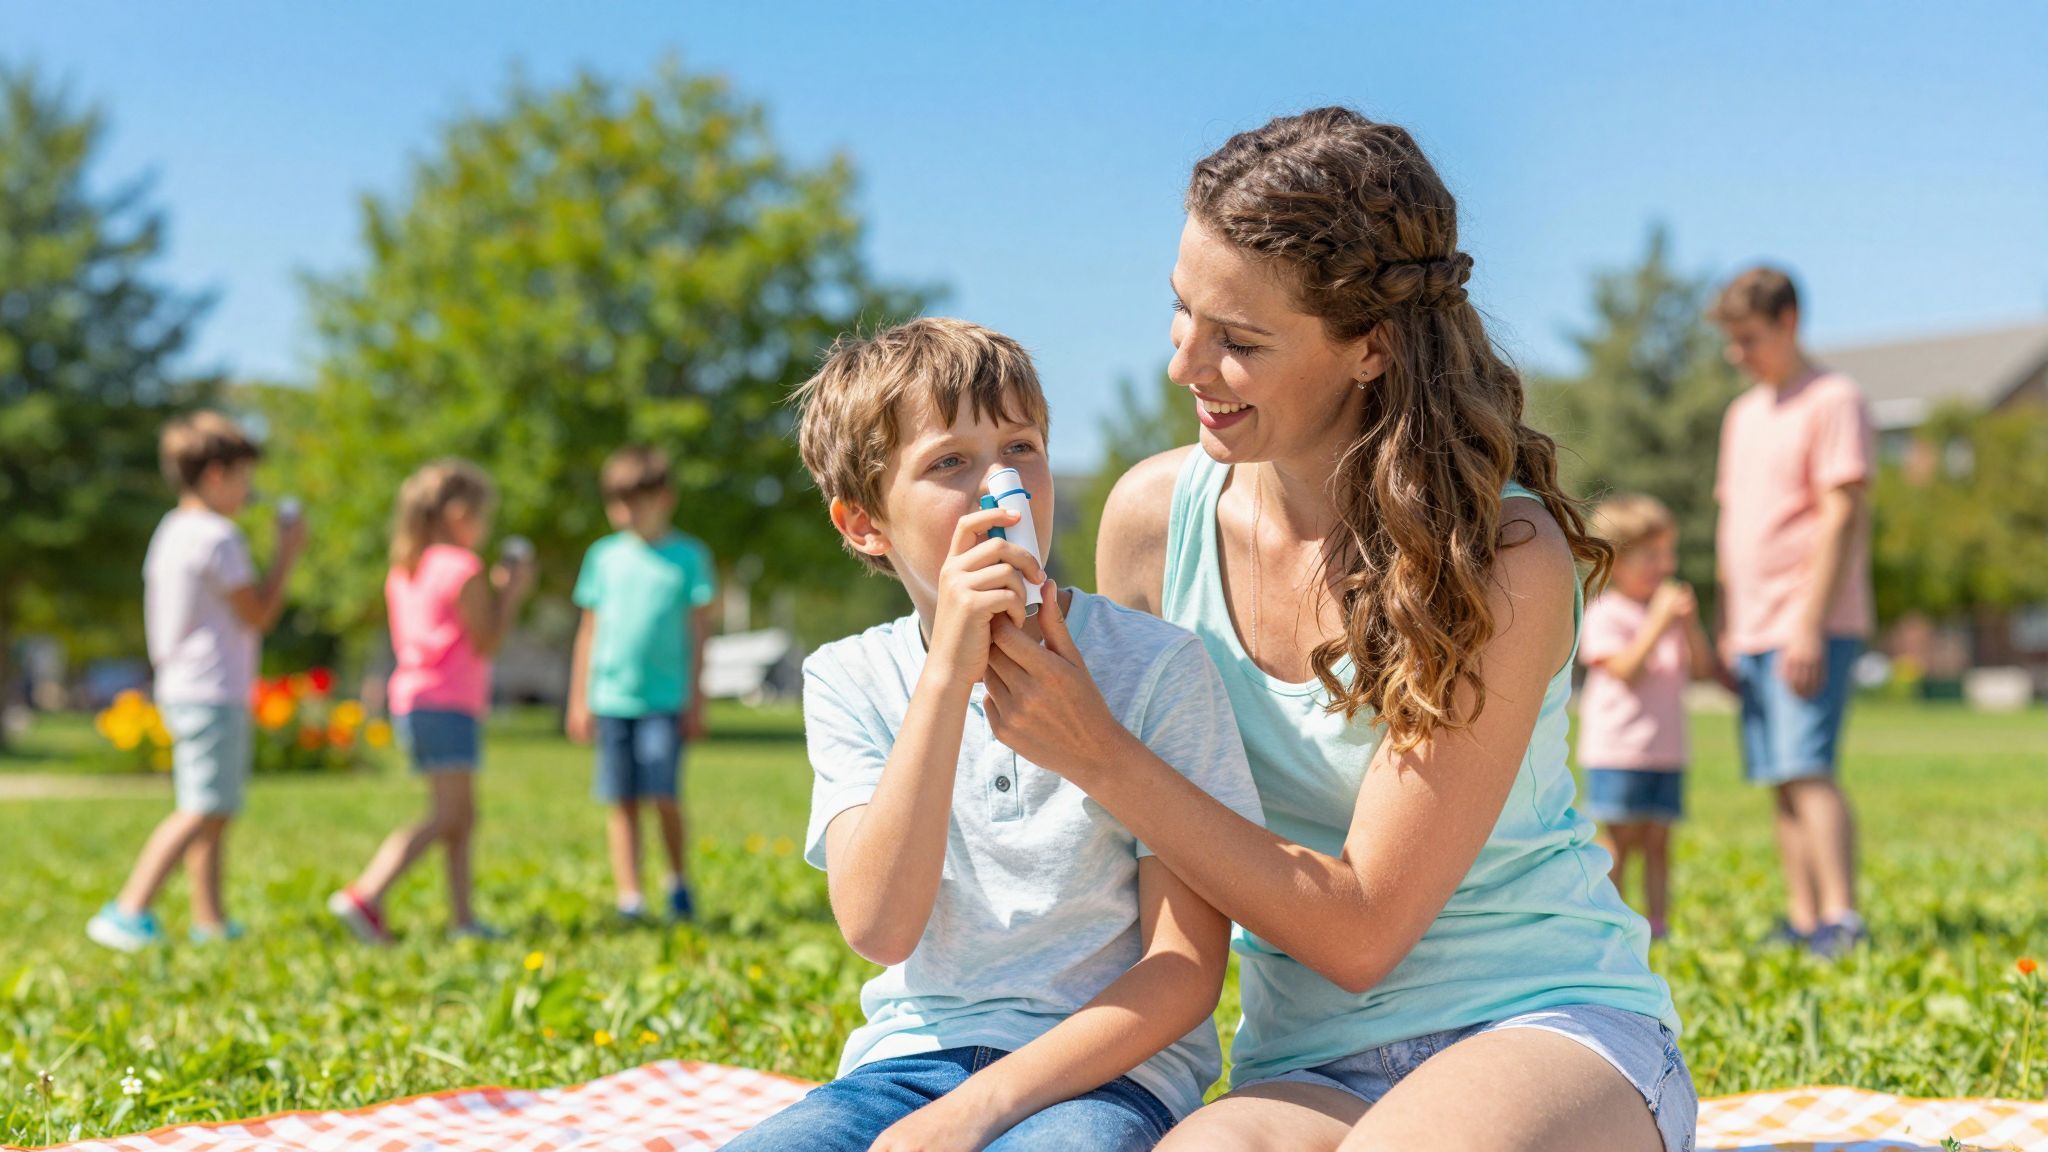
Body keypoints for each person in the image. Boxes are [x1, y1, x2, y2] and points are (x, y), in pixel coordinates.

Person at [984, 108, 1696, 1151]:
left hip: (1545, 1027)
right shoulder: (1148, 526)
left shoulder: (1498, 556)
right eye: (1179, 313)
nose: (1184, 364)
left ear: (1368, 347)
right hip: (1304, 1064)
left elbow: (1362, 929)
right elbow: (1156, 884)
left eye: (1238, 342)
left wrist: (1096, 749)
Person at [725, 318, 1263, 1152]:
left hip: (1105, 1077)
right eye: (950, 463)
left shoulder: (1159, 667)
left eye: (1022, 447)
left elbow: (1186, 971)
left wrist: (975, 1114)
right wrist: (945, 677)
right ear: (865, 524)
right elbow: (880, 927)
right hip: (908, 1064)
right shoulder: (850, 678)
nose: (1002, 485)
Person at [89, 412, 304, 951]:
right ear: (215, 475)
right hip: (213, 689)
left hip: (184, 685)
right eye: (244, 479)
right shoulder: (219, 537)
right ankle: (128, 909)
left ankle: (210, 921)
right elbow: (259, 614)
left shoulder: (171, 531)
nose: (248, 492)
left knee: (213, 808)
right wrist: (287, 553)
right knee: (203, 808)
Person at [1711, 266, 1875, 958]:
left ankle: (1841, 916)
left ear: (1789, 323)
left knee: (1808, 767)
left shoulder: (1834, 400)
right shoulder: (1743, 414)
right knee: (1778, 775)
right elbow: (1732, 522)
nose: (1737, 355)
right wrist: (1727, 620)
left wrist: (1807, 620)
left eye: (1749, 339)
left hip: (1808, 622)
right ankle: (1804, 918)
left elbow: (1841, 514)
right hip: (1751, 625)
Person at [328, 460, 532, 944]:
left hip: (417, 699)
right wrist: (513, 592)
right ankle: (367, 893)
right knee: (447, 816)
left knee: (461, 815)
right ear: (460, 513)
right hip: (448, 702)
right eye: (483, 515)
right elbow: (487, 640)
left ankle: (464, 919)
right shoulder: (462, 567)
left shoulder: (407, 568)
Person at [566, 445, 717, 923]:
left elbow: (698, 634)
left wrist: (696, 699)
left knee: (663, 794)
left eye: (636, 500)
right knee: (622, 799)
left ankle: (676, 880)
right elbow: (588, 630)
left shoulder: (689, 557)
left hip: (664, 701)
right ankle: (630, 895)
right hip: (611, 699)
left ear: (664, 499)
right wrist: (579, 699)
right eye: (617, 501)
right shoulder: (603, 557)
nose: (625, 511)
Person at [1578, 494, 1719, 941]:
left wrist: (1691, 625)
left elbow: (1702, 670)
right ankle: (1613, 922)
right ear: (1617, 562)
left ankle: (1658, 924)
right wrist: (1657, 624)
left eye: (1668, 553)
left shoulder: (1667, 616)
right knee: (1619, 842)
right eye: (1651, 555)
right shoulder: (1605, 612)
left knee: (1659, 843)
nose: (1665, 565)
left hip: (1665, 750)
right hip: (1618, 750)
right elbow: (1624, 670)